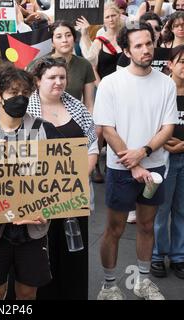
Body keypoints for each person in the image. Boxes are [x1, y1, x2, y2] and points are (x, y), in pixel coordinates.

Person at [0, 63, 61, 300]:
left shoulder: (44, 130)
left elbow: (59, 178)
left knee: (27, 291)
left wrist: (51, 208)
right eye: (14, 93)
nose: (20, 98)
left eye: (25, 94)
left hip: (33, 227)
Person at [93, 22, 177, 300]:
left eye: (148, 44)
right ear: (127, 51)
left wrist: (144, 152)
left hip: (154, 167)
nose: (145, 50)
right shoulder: (111, 83)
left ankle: (142, 281)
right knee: (114, 229)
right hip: (120, 169)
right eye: (138, 46)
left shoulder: (165, 83)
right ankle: (108, 285)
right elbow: (107, 128)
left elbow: (168, 128)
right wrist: (134, 162)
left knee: (146, 224)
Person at [27, 57, 98, 300]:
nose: (58, 82)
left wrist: (74, 180)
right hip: (39, 198)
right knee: (42, 254)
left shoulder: (78, 108)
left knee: (74, 254)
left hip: (72, 197)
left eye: (62, 77)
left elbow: (92, 148)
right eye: (51, 78)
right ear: (37, 81)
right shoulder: (25, 110)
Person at [151, 45, 184, 280]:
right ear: (170, 64)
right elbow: (149, 121)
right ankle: (156, 255)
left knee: (182, 210)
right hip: (162, 157)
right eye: (182, 61)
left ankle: (178, 256)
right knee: (160, 210)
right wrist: (160, 142)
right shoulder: (161, 90)